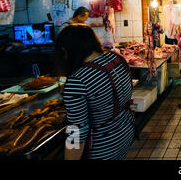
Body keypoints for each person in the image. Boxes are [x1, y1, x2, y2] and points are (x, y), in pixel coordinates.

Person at [55, 24, 135, 160]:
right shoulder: (116, 59)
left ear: (66, 50)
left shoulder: (77, 81)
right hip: (125, 132)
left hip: (103, 148)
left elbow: (76, 131)